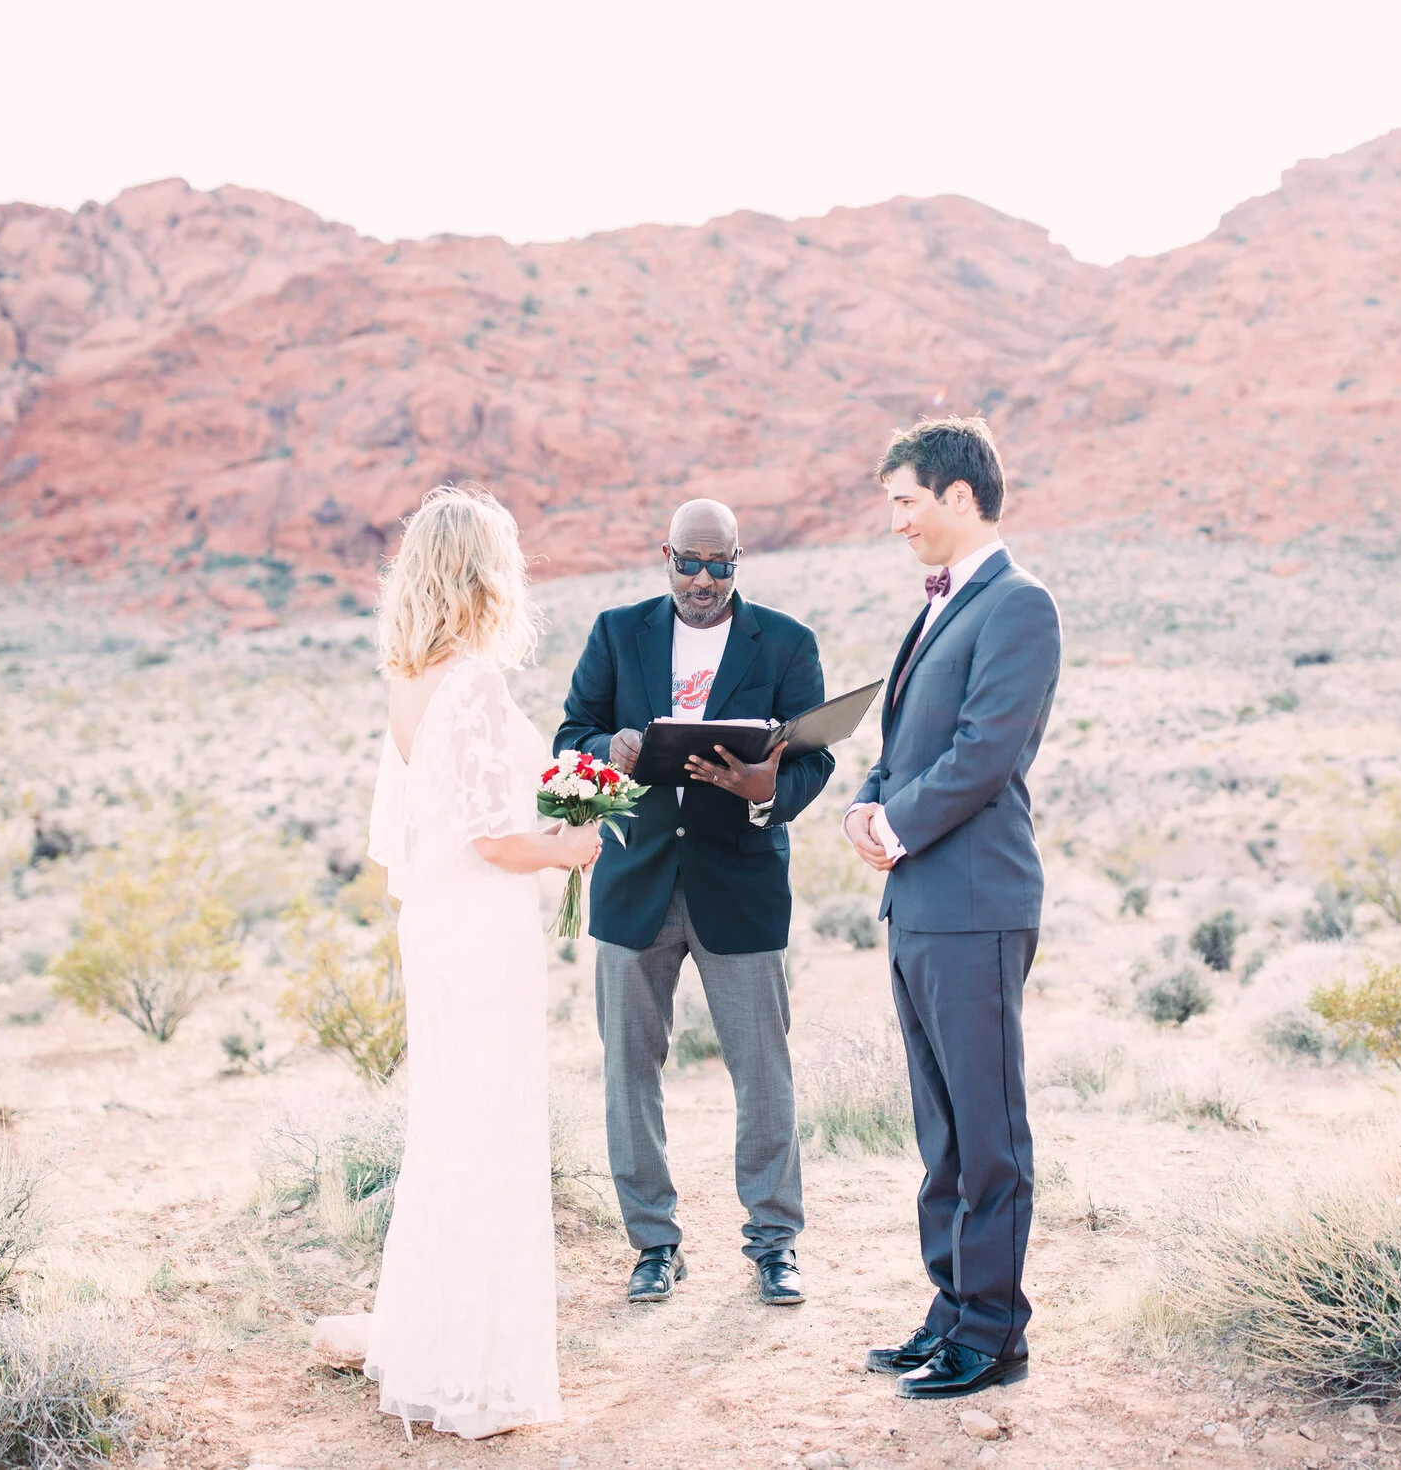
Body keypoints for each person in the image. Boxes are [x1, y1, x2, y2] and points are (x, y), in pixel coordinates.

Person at [310, 486, 599, 1440]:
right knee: (489, 1129)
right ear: (481, 573)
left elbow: (419, 834)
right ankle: (477, 1374)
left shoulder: (410, 678)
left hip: (438, 933)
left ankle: (433, 1341)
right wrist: (569, 845)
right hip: (481, 936)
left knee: (450, 1126)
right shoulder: (470, 681)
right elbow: (491, 840)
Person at [556, 499, 836, 1307]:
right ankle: (653, 1242)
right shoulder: (617, 632)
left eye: (721, 565)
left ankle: (775, 1243)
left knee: (764, 1071)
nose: (705, 580)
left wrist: (765, 790)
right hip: (632, 881)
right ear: (665, 557)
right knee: (627, 1073)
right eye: (691, 563)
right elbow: (568, 733)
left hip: (740, 885)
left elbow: (811, 764)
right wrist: (607, 749)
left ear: (739, 561)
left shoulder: (786, 643)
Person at [842, 417, 1061, 1401]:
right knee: (939, 1127)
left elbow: (983, 753)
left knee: (986, 1124)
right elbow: (910, 739)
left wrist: (894, 825)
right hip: (919, 901)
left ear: (959, 495)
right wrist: (865, 796)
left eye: (905, 501)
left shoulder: (1020, 606)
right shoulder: (937, 608)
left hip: (975, 897)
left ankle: (994, 1327)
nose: (894, 523)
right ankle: (951, 1305)